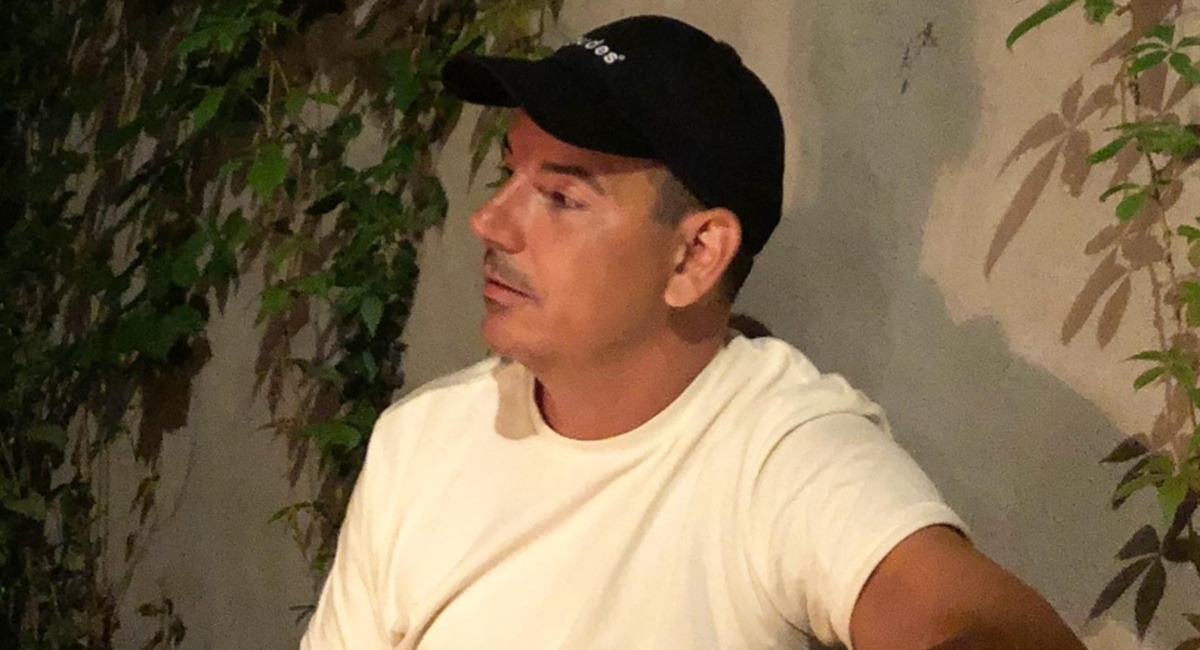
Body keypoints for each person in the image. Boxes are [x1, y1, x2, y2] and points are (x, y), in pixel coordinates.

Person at [301, 15, 1086, 650]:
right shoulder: (421, 442)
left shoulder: (777, 452)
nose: (489, 222)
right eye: (507, 174)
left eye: (562, 197)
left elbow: (972, 624)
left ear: (695, 256)